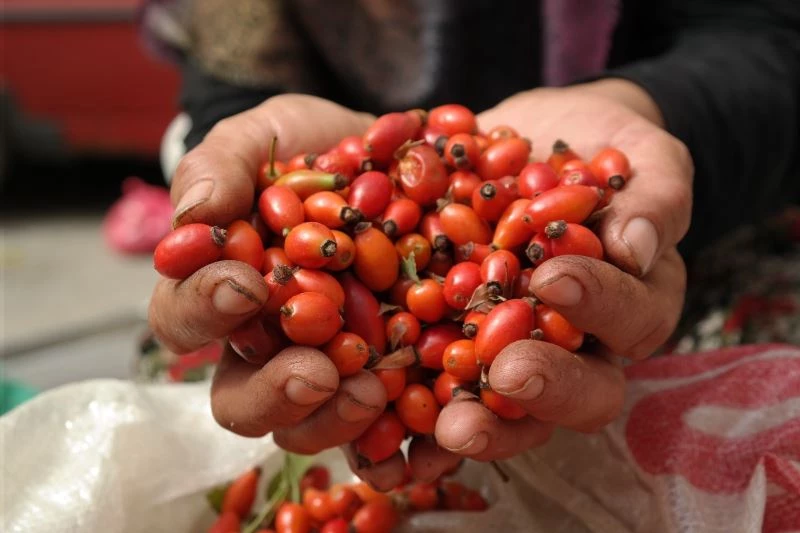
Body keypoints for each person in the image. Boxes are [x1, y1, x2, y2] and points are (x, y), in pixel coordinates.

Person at [143, 0, 800, 490]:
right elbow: (232, 90)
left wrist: (654, 110)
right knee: (182, 387)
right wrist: (240, 163)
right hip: (389, 306)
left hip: (718, 212)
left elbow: (772, 35)